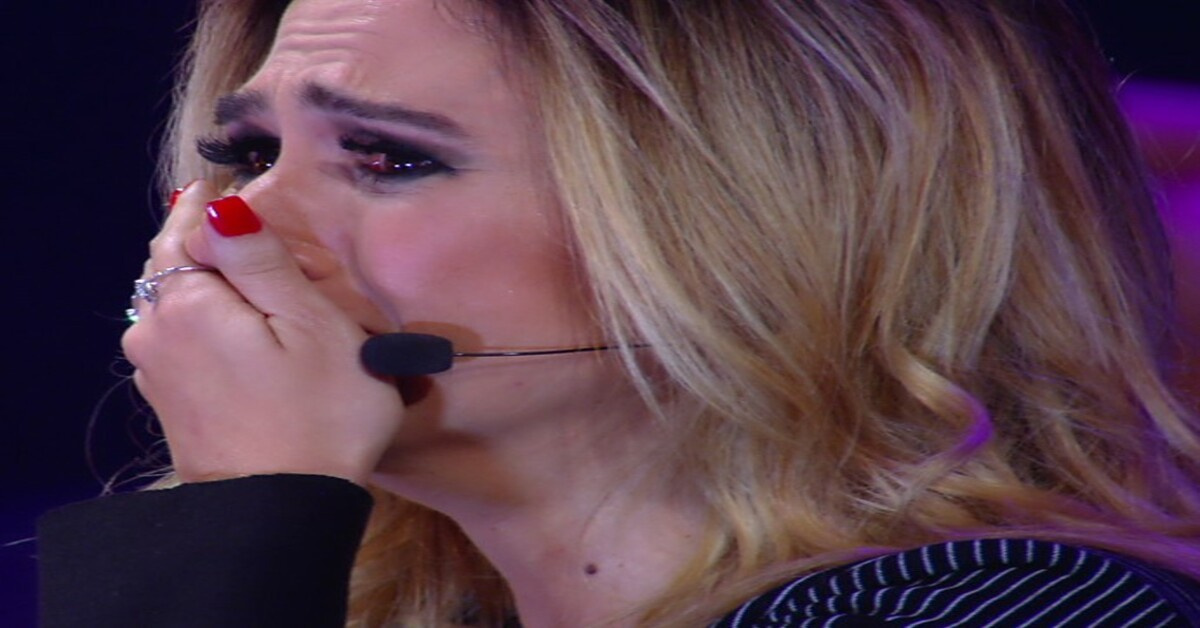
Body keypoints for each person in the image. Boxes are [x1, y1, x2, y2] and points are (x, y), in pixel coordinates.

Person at [38, 0, 1200, 626]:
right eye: (248, 152)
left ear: (744, 237)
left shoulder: (1015, 613)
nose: (243, 220)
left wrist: (241, 523)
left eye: (388, 158)